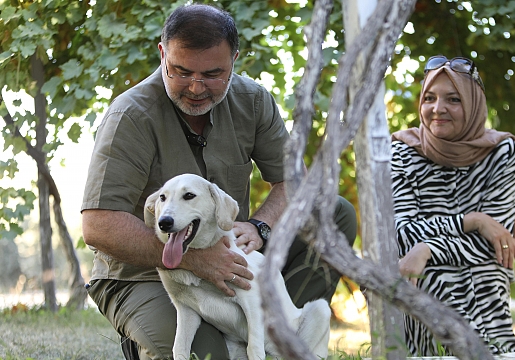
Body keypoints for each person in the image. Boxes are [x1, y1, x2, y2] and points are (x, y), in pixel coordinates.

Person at [81, 4, 357, 360]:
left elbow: (294, 183)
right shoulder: (130, 115)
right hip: (145, 276)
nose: (196, 87)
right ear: (163, 54)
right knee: (208, 356)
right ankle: (146, 338)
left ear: (234, 60)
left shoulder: (254, 101)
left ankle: (276, 337)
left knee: (333, 212)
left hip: (233, 261)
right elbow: (98, 225)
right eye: (181, 71)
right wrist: (192, 259)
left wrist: (261, 226)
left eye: (213, 74)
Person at [390, 55, 515, 355]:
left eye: (453, 99)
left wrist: (428, 249)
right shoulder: (401, 150)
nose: (438, 109)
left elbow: (496, 245)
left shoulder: (502, 151)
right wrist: (471, 221)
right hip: (416, 271)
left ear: (473, 103)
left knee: (482, 273)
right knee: (430, 277)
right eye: (429, 98)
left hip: (479, 267)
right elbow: (403, 234)